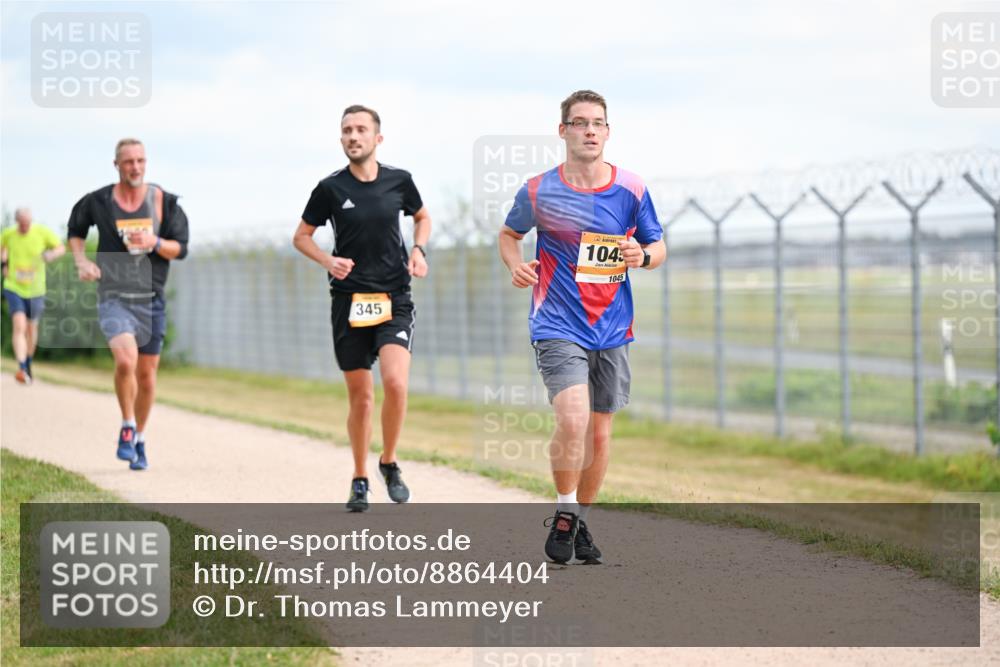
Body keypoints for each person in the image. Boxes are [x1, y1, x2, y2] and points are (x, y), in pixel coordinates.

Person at [498, 90, 666, 563]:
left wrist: (644, 255)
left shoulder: (631, 188)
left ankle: (582, 523)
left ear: (608, 132)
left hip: (611, 325)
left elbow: (657, 246)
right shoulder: (539, 190)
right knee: (572, 420)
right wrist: (516, 265)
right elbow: (509, 235)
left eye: (598, 123)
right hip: (556, 322)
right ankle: (566, 511)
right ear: (564, 131)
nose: (589, 130)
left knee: (599, 435)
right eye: (579, 122)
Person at [293, 105, 432, 512]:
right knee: (362, 398)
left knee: (396, 383)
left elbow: (421, 216)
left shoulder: (399, 181)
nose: (353, 137)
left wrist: (419, 250)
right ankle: (359, 477)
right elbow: (301, 236)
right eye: (347, 131)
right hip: (349, 301)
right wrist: (327, 260)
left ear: (377, 138)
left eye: (361, 130)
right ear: (342, 140)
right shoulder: (330, 188)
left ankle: (388, 461)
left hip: (394, 298)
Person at [67, 138, 190, 471]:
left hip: (151, 299)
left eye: (140, 161)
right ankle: (126, 424)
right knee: (126, 361)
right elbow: (75, 229)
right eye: (128, 162)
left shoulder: (164, 202)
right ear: (116, 165)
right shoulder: (100, 201)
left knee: (147, 376)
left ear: (145, 163)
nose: (135, 167)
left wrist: (155, 241)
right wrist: (81, 262)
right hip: (114, 296)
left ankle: (140, 438)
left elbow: (181, 248)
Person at [1, 207, 65, 384]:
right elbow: (2, 248)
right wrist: (4, 264)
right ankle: (21, 367)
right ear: (17, 222)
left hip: (36, 289)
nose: (24, 227)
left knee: (31, 329)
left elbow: (61, 247)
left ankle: (28, 362)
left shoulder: (42, 232)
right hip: (14, 286)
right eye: (21, 224)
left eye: (27, 224)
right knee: (19, 325)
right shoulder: (8, 233)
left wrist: (51, 254)